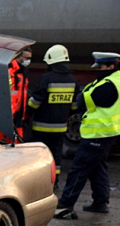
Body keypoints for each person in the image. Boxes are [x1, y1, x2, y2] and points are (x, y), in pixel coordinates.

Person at [56, 52, 120, 219]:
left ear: (111, 66)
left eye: (100, 67)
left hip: (98, 132)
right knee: (97, 166)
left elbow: (84, 100)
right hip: (106, 131)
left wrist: (82, 97)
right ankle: (100, 202)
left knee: (80, 168)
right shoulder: (114, 80)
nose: (98, 70)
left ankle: (64, 206)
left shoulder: (109, 84)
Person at [27, 44, 80, 188]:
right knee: (56, 156)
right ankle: (54, 181)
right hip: (61, 127)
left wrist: (26, 114)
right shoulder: (72, 79)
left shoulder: (46, 78)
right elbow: (75, 106)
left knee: (39, 155)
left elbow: (35, 101)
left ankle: (40, 180)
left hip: (42, 127)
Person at [0, 47, 31, 143]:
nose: (28, 61)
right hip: (7, 113)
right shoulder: (10, 69)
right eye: (26, 57)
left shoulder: (23, 71)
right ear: (19, 57)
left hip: (18, 114)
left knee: (17, 144)